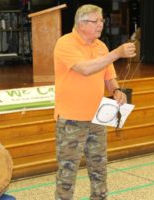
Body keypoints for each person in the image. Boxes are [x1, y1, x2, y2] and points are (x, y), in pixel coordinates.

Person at [53, 4, 136, 200]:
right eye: (95, 21)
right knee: (67, 172)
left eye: (101, 21)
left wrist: (115, 90)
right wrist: (117, 53)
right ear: (81, 24)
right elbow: (85, 69)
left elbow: (109, 76)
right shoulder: (66, 43)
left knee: (99, 169)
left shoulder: (101, 46)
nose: (101, 25)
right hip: (71, 120)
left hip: (98, 118)